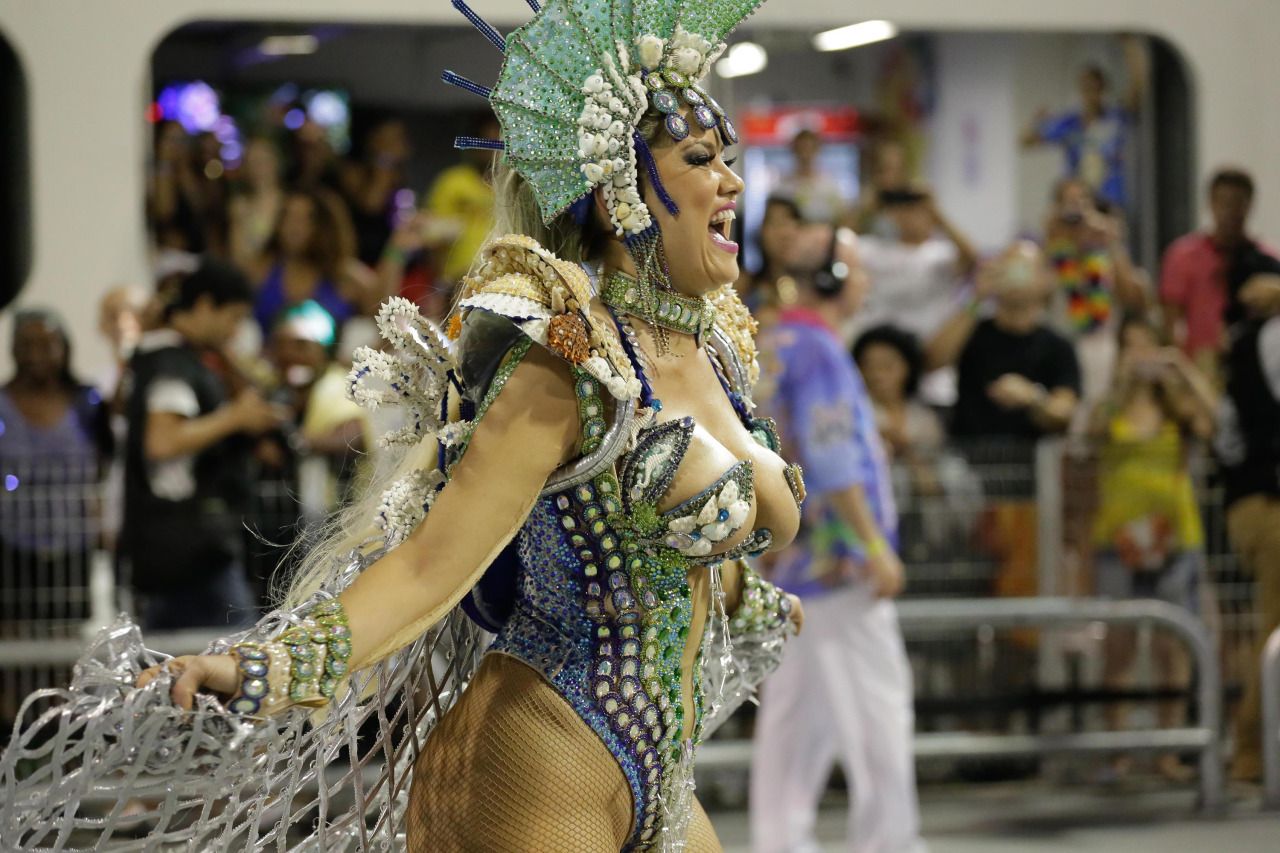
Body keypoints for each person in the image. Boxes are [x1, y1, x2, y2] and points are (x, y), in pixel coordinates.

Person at [1, 3, 805, 850]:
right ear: (617, 194)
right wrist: (259, 667)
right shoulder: (569, 354)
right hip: (541, 747)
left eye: (732, 159)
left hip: (665, 769)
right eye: (701, 159)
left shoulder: (714, 348)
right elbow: (430, 564)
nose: (732, 183)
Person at [751, 227, 925, 853]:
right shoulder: (820, 351)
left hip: (792, 562)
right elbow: (832, 461)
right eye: (858, 268)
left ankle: (781, 841)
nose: (867, 281)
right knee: (879, 709)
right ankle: (890, 841)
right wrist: (875, 547)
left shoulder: (774, 340)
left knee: (796, 722)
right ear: (831, 279)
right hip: (837, 563)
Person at [120, 259, 284, 631]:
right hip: (190, 548)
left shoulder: (172, 359)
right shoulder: (172, 366)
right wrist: (235, 418)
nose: (235, 330)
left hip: (177, 547)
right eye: (234, 317)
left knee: (167, 657)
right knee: (243, 656)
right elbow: (161, 442)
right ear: (206, 305)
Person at [1088, 317, 1217, 781]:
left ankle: (1169, 750)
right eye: (1131, 348)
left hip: (1175, 537)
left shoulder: (1177, 407)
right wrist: (1121, 382)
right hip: (1118, 539)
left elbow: (1215, 419)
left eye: (1148, 348)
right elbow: (1090, 432)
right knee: (1119, 648)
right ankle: (1117, 753)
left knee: (1172, 648)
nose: (1141, 357)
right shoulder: (1112, 407)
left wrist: (1180, 367)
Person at [929, 242, 1081, 598]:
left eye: (1024, 268)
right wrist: (974, 298)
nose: (1014, 276)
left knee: (1023, 584)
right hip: (968, 481)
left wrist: (1033, 397)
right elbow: (933, 359)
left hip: (1028, 490)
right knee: (967, 580)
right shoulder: (974, 332)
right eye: (1006, 267)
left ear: (1046, 280)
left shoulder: (1057, 347)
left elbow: (1064, 411)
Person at [1215, 269, 1280, 783]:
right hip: (1265, 500)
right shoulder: (1254, 344)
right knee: (1275, 632)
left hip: (1254, 494)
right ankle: (1250, 750)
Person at [848, 184, 979, 405]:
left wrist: (935, 211)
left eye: (914, 209)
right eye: (901, 208)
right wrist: (870, 206)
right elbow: (837, 243)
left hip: (931, 376)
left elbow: (972, 258)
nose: (907, 216)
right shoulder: (872, 249)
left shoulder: (939, 254)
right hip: (875, 376)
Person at [1042, 178, 1148, 426]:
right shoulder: (1052, 251)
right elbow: (1037, 295)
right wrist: (1050, 237)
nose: (1076, 212)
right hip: (1061, 352)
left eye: (1082, 202)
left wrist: (1111, 241)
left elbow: (1135, 300)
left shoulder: (1105, 249)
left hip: (1104, 352)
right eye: (1068, 203)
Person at [1161, 168, 1276, 378]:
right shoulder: (1183, 256)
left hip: (1252, 366)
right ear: (1210, 203)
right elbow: (1171, 320)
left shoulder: (1267, 261)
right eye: (1223, 202)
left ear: (1249, 205)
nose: (1230, 211)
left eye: (1237, 202)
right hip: (1197, 367)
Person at [1021, 35, 1147, 211]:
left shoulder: (1115, 118)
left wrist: (1130, 45)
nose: (1091, 94)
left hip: (1112, 201)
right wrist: (1035, 122)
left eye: (1095, 88)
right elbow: (1025, 142)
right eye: (1086, 88)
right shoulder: (1069, 123)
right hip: (1078, 201)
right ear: (1080, 89)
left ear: (1103, 89)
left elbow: (1138, 87)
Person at [248, 187, 379, 336]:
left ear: (324, 227)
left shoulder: (348, 277)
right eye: (287, 217)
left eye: (305, 219)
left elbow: (391, 323)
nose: (293, 227)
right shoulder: (261, 270)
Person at [423, 113, 501, 287]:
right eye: (487, 142)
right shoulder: (452, 181)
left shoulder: (513, 190)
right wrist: (436, 285)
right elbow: (434, 239)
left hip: (504, 279)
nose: (493, 152)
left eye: (498, 143)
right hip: (457, 281)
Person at [339, 118, 413, 266]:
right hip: (359, 255)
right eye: (393, 138)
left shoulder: (398, 175)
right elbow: (371, 205)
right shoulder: (354, 170)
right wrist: (385, 159)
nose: (401, 144)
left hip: (388, 253)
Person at [738, 195, 803, 316]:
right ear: (761, 231)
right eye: (777, 223)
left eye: (793, 222)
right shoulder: (743, 285)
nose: (786, 233)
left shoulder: (815, 288)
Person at [227, 137, 285, 272]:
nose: (259, 168)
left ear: (275, 162)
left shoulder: (290, 203)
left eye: (263, 161)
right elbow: (237, 257)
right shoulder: (239, 206)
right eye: (253, 163)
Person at [775, 128, 851, 225]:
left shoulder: (829, 185)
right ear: (793, 150)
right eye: (801, 148)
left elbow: (842, 216)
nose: (805, 153)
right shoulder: (783, 187)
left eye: (809, 147)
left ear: (817, 149)